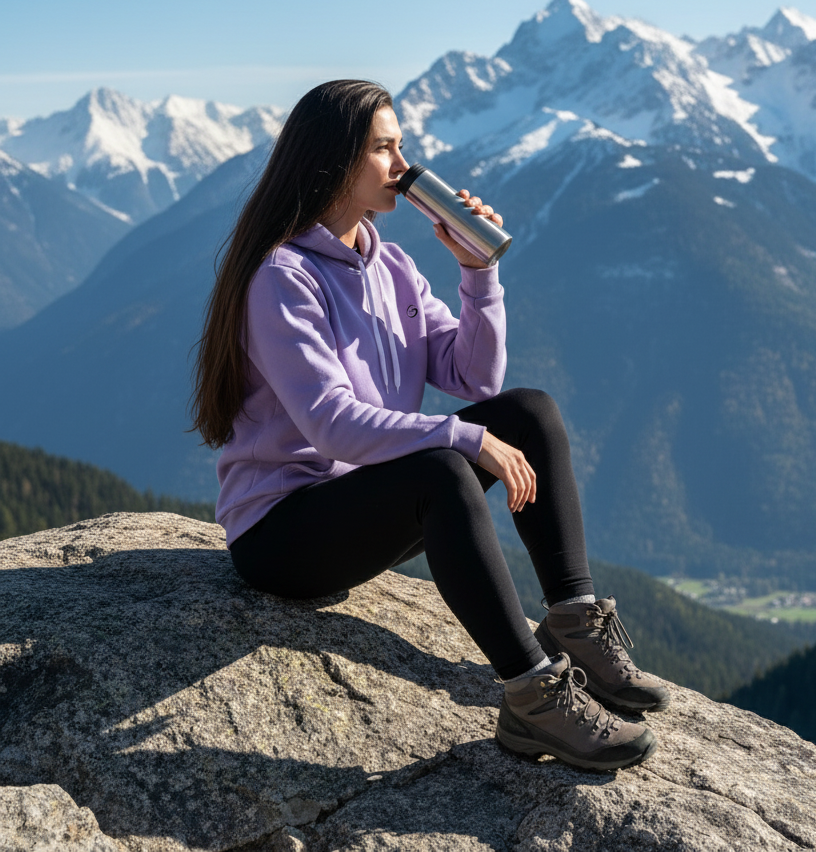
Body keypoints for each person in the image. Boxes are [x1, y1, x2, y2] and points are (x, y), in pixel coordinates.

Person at [191, 80, 669, 771]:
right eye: (384, 148)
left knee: (529, 412)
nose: (403, 164)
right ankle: (534, 697)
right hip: (282, 536)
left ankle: (574, 623)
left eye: (401, 146)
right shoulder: (282, 277)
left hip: (368, 503)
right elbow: (331, 426)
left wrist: (478, 274)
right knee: (443, 466)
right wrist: (464, 437)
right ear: (333, 160)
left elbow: (474, 379)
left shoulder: (391, 264)